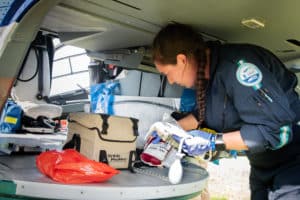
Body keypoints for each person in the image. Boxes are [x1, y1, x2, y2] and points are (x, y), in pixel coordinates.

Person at [151, 23, 300, 200]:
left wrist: (213, 142)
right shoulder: (207, 75)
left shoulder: (238, 68)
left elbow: (276, 132)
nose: (171, 81)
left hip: (293, 164)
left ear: (182, 60)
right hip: (262, 165)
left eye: (168, 73)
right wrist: (168, 130)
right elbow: (203, 114)